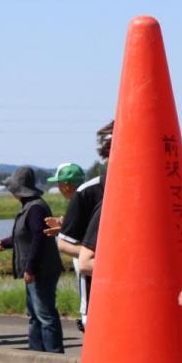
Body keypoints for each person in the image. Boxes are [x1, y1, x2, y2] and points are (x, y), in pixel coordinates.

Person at [46, 123, 111, 330]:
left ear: (66, 185)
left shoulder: (86, 196)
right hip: (94, 288)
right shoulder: (88, 194)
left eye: (58, 183)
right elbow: (66, 245)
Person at [0, 167, 65, 353]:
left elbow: (38, 238)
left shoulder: (35, 208)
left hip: (41, 270)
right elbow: (24, 235)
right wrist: (4, 243)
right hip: (37, 269)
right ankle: (36, 353)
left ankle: (54, 355)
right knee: (34, 315)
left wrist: (30, 268)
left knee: (44, 315)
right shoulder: (30, 206)